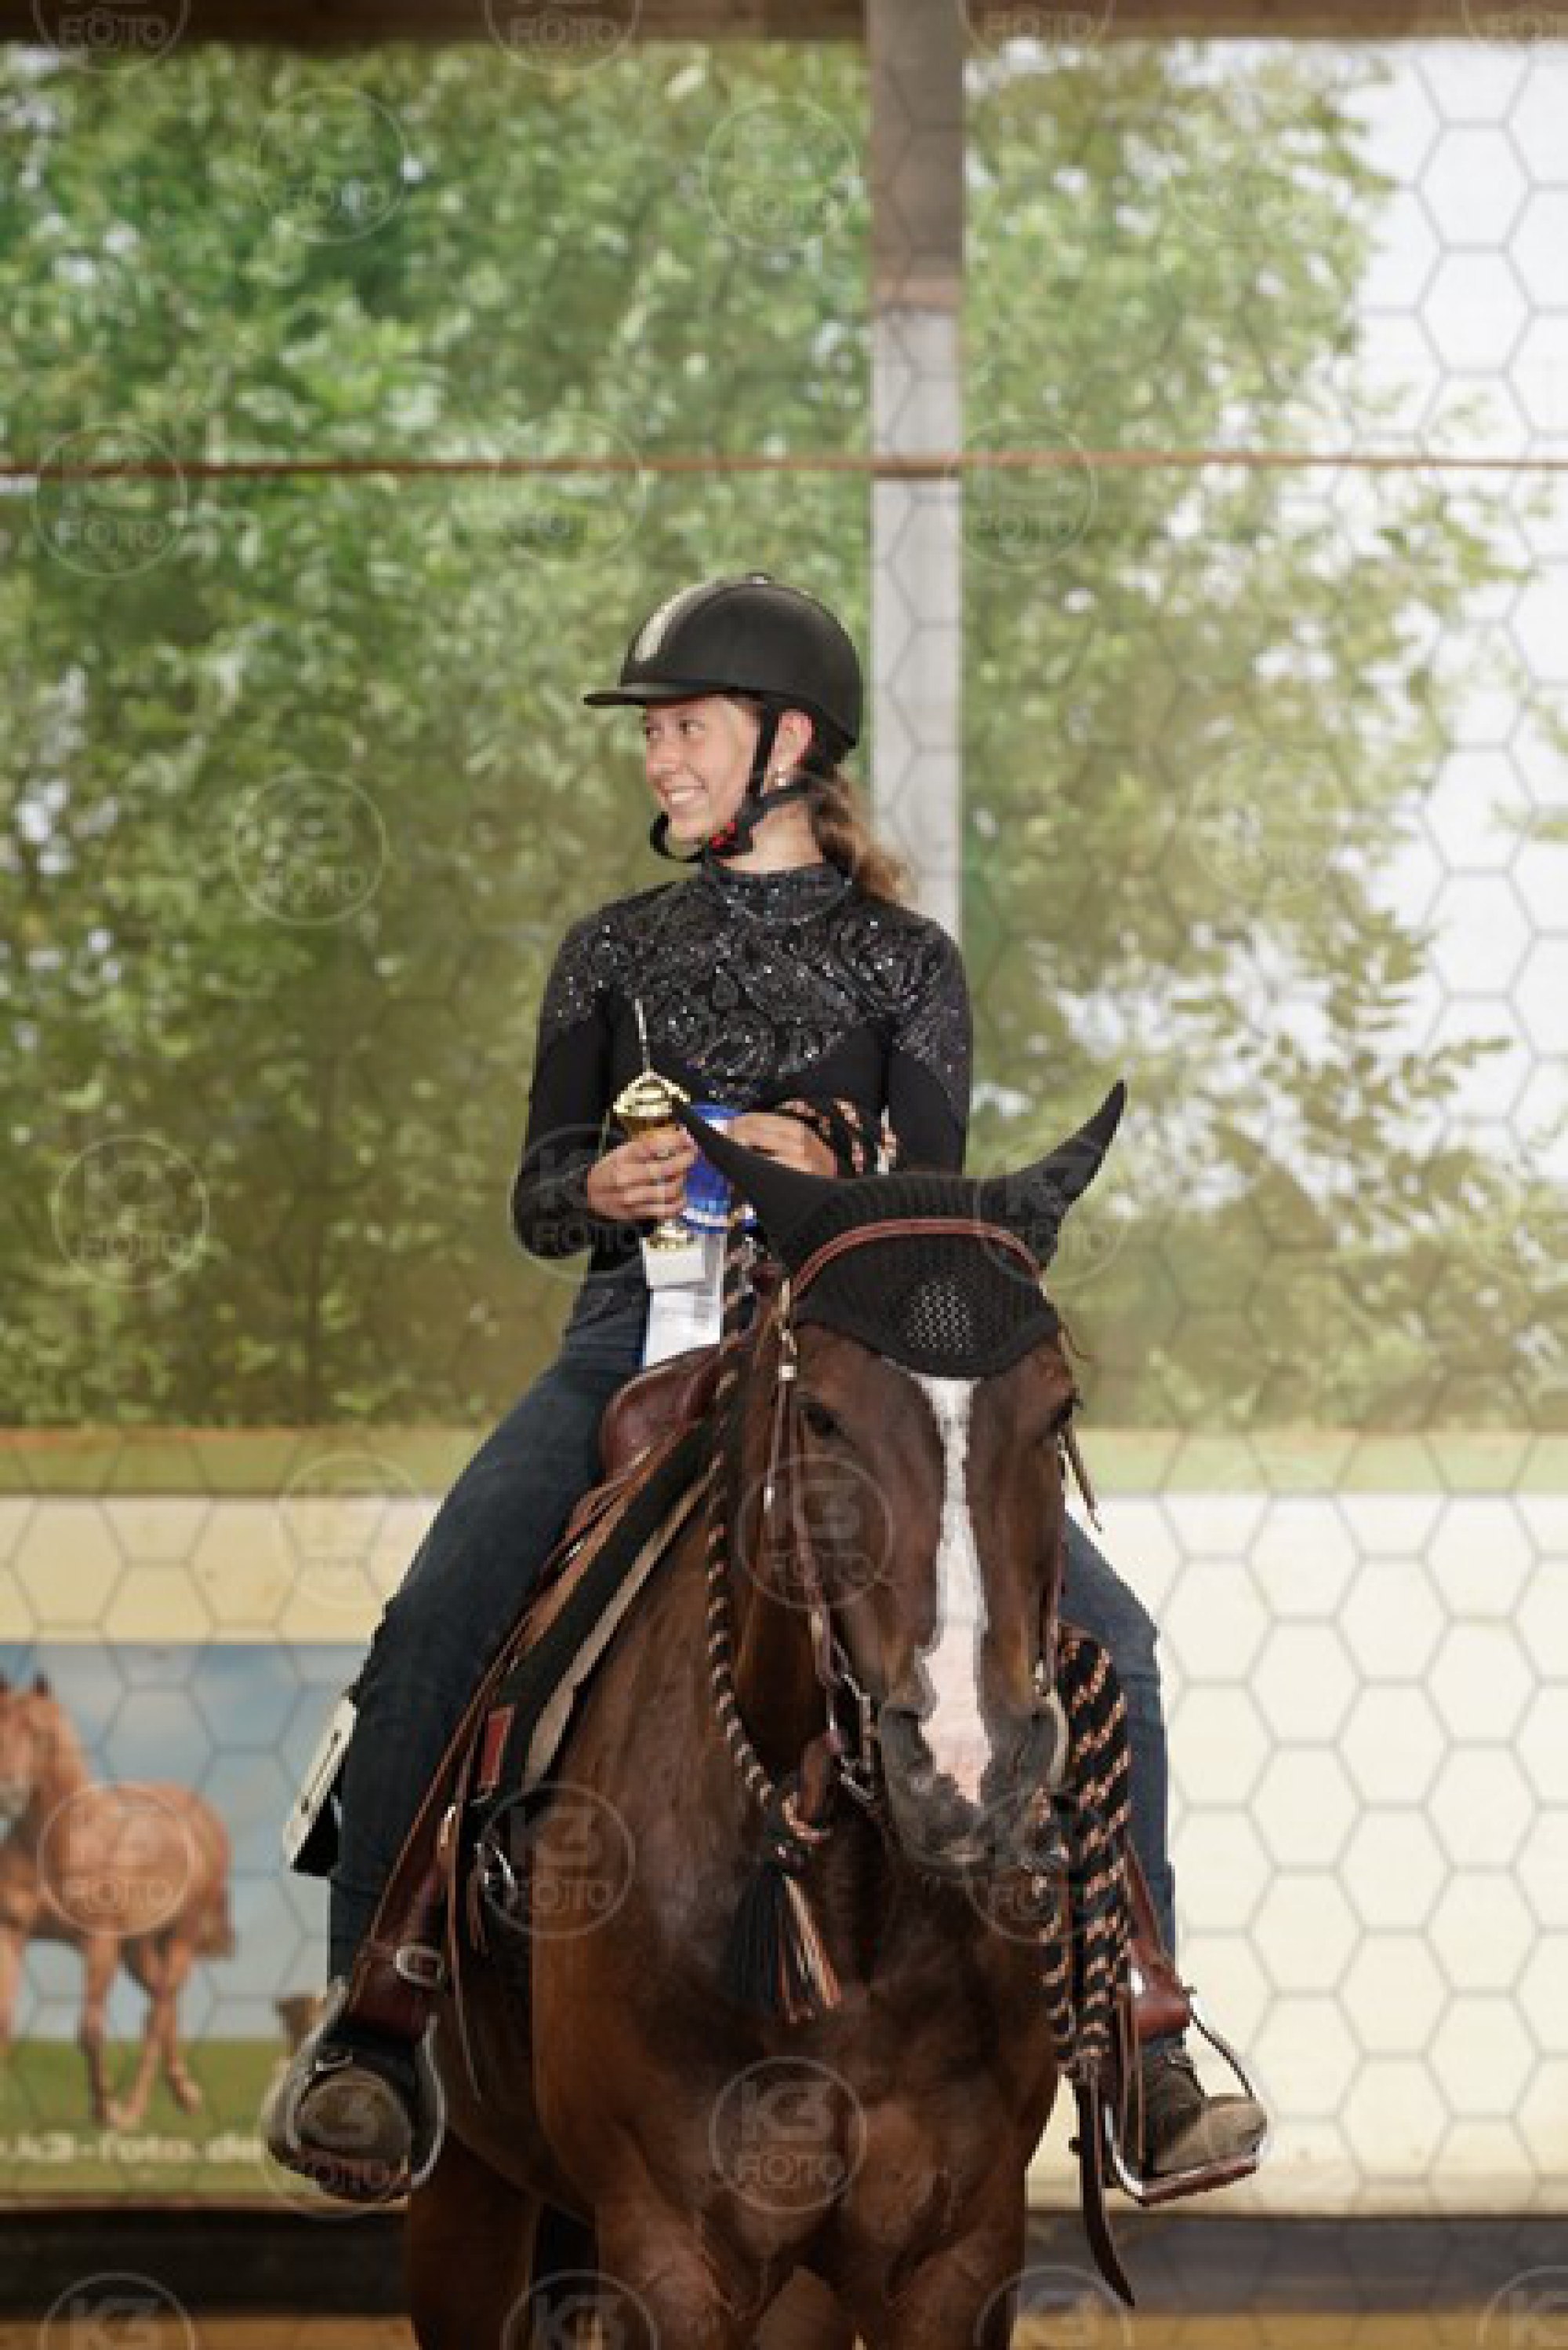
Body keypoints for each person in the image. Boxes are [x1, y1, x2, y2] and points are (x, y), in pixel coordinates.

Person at [269, 573, 1264, 2196]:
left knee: (1119, 1645)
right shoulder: (609, 954)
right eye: (652, 734)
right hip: (629, 1348)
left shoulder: (909, 964)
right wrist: (601, 1183)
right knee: (436, 1616)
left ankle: (1140, 2033)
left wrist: (838, 1155)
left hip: (845, 1369)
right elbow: (538, 1193)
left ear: (789, 742)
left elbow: (924, 1218)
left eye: (684, 727)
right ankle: (374, 2026)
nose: (658, 757)